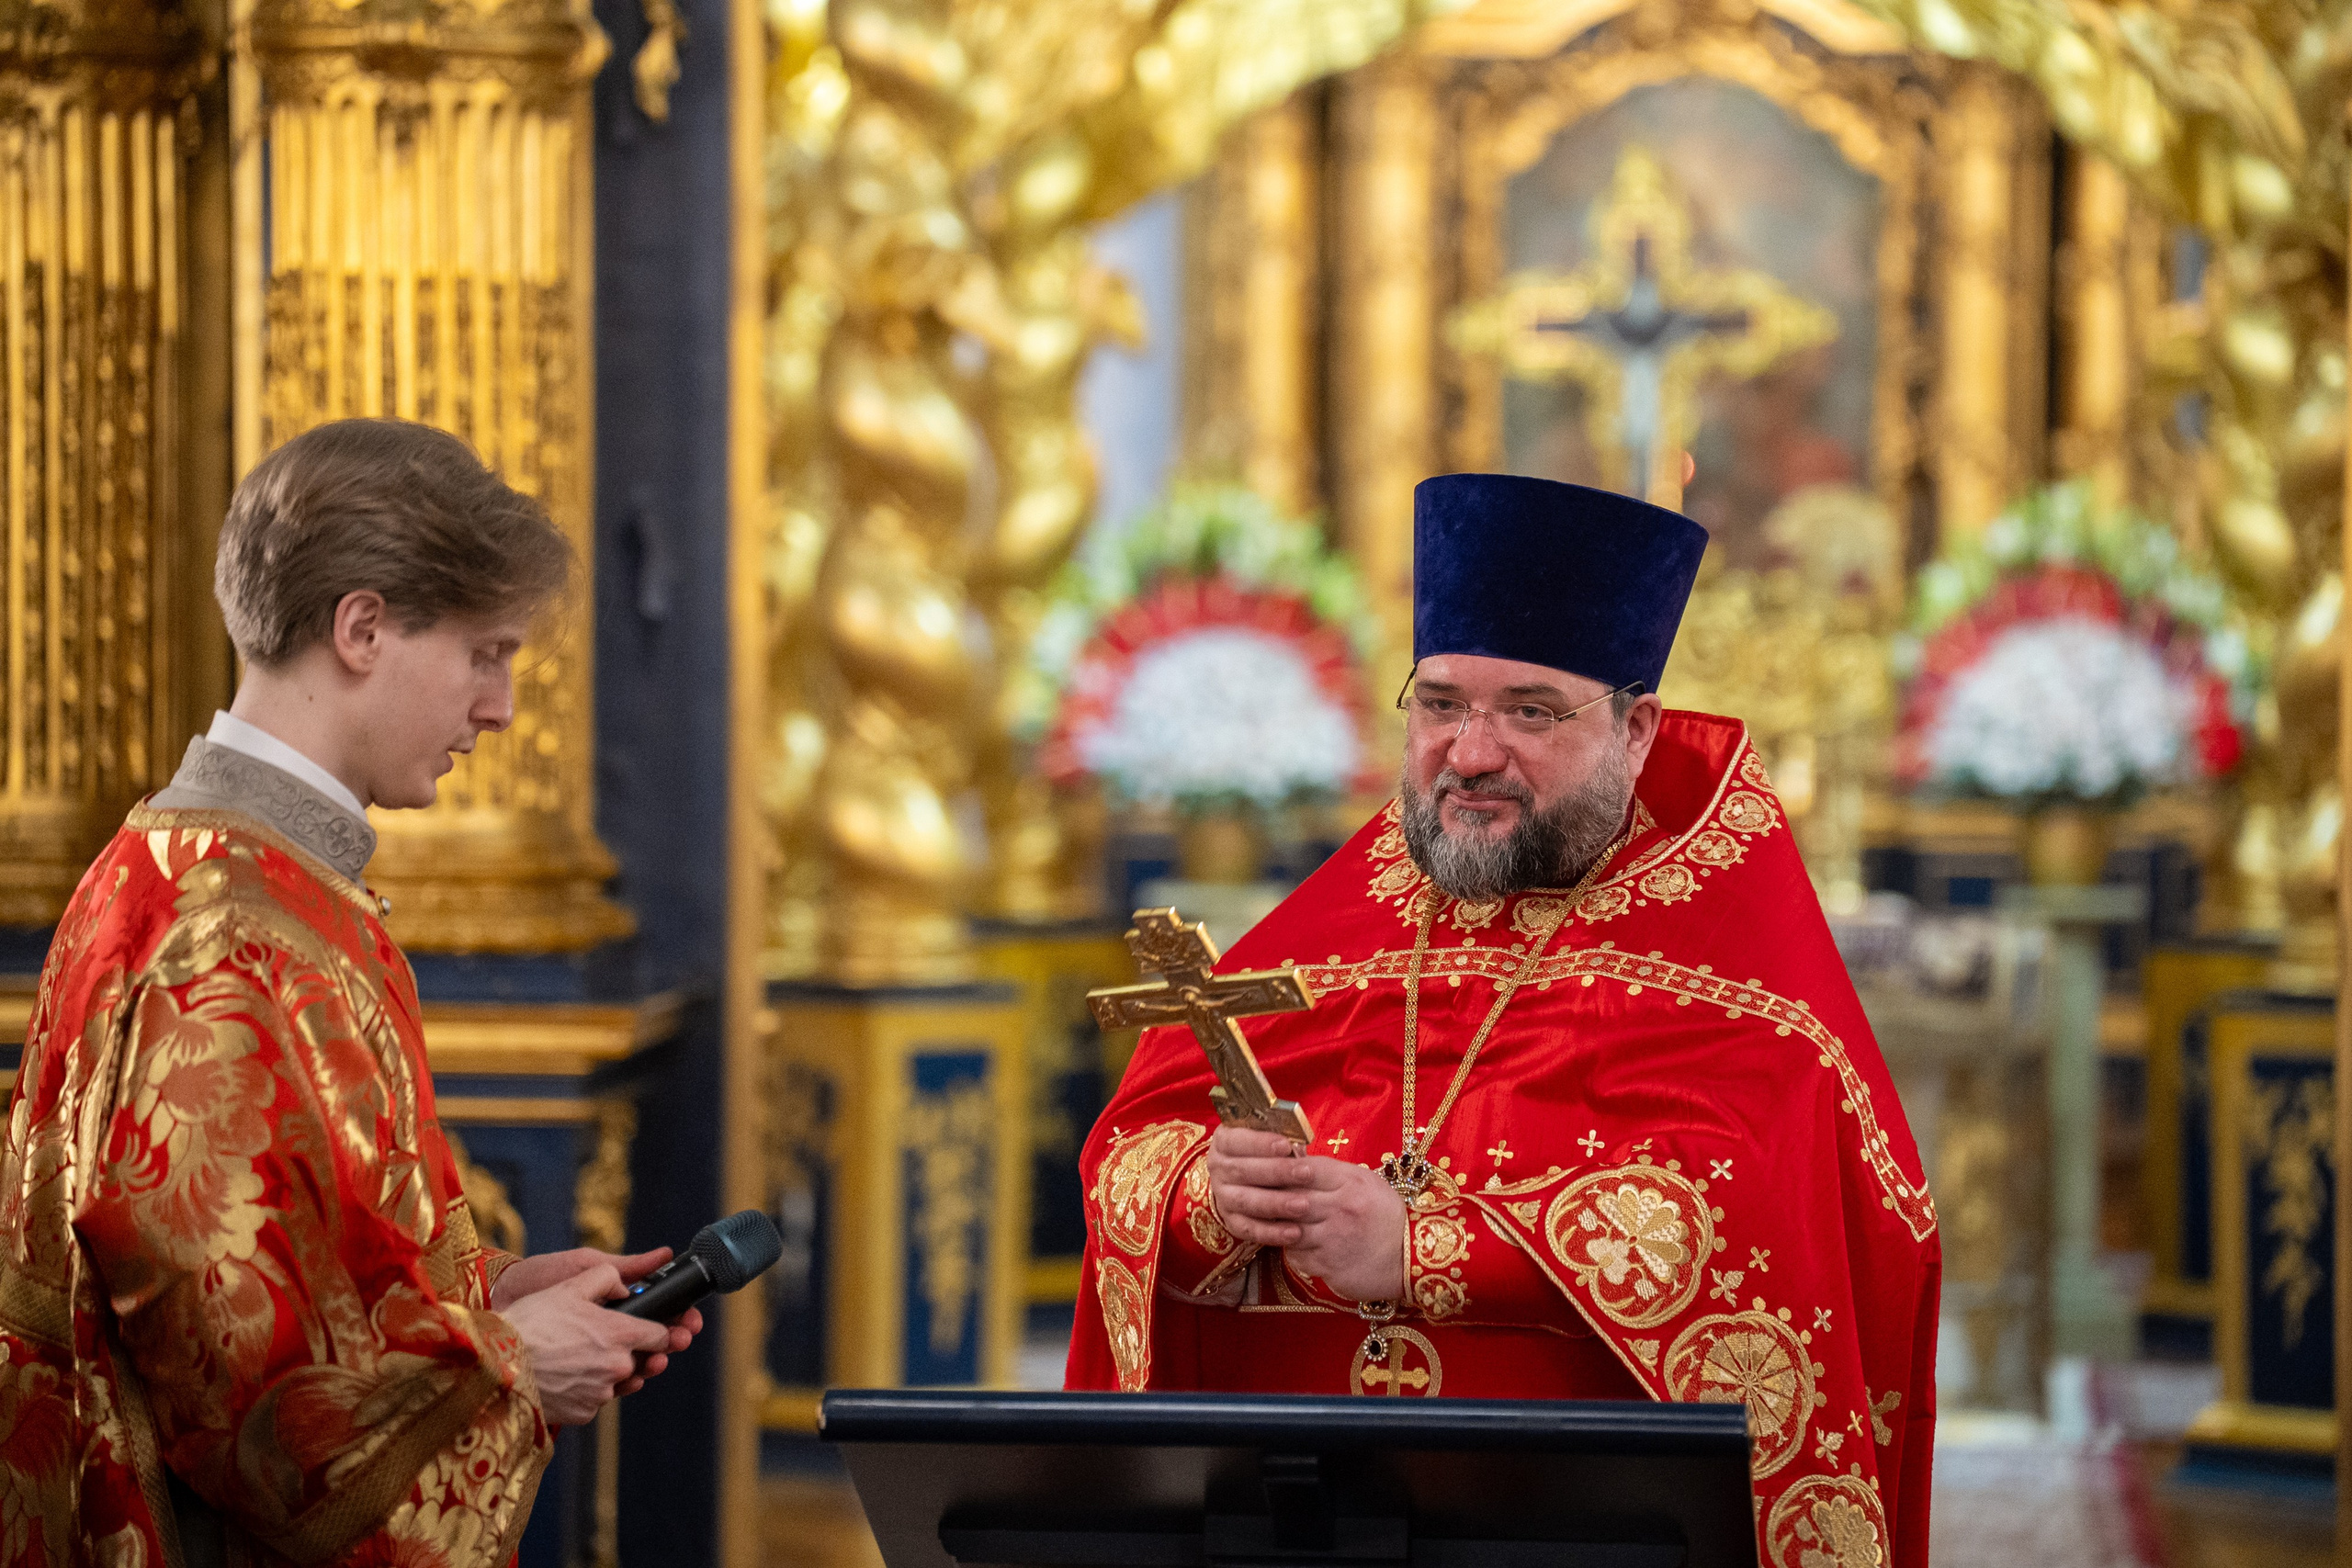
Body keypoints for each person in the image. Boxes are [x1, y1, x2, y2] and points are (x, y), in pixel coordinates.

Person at [1066, 473, 1939, 1568]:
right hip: (1305, 1522)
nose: (1471, 753)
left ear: (1635, 730)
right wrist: (1211, 1200)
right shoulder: (1332, 929)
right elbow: (1137, 1148)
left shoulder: (1729, 967)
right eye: (1440, 705)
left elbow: (1763, 1228)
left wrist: (1426, 1247)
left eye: (1529, 711)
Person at [0, 419, 698, 1567]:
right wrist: (511, 1366)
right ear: (362, 628)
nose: (500, 708)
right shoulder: (226, 929)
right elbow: (247, 1401)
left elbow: (297, 1271)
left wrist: (492, 1297)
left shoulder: (210, 871)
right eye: (484, 654)